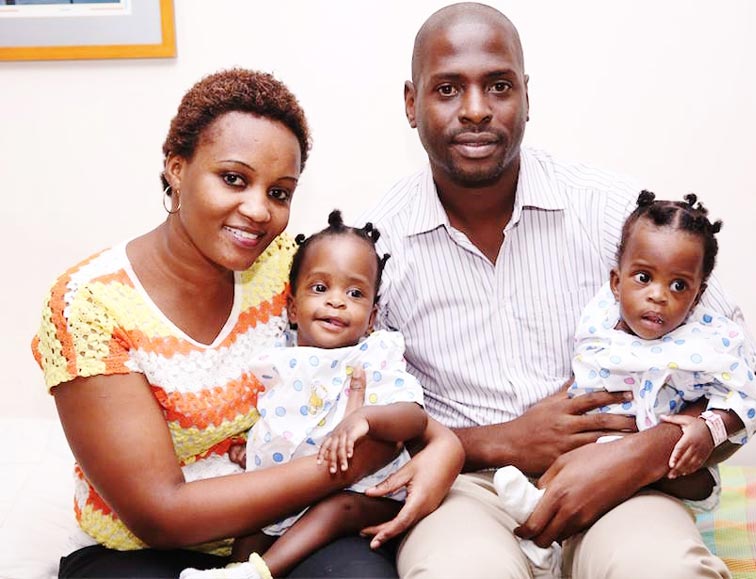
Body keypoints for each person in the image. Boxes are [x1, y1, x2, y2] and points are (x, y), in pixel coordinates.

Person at [359, 3, 756, 578]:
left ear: (527, 95)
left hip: (620, 485)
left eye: (499, 86)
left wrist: (642, 455)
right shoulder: (375, 249)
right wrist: (504, 441)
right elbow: (356, 433)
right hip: (464, 495)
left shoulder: (616, 213)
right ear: (412, 103)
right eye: (449, 88)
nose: (476, 110)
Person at [31, 68, 462, 579]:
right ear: (176, 167)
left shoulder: (288, 269)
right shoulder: (89, 305)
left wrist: (445, 447)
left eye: (280, 192)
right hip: (137, 552)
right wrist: (343, 464)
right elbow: (159, 516)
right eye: (233, 179)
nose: (259, 211)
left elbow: (368, 374)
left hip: (281, 527)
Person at [494, 191, 756, 576]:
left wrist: (710, 428)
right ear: (616, 281)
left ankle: (546, 537)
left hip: (664, 468)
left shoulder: (706, 340)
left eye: (679, 286)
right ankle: (544, 540)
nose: (658, 296)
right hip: (592, 447)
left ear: (698, 296)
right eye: (644, 278)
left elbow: (755, 396)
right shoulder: (600, 320)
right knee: (562, 474)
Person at [180, 210, 429, 579]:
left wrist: (365, 419)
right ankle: (235, 571)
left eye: (355, 292)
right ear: (293, 309)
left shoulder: (371, 356)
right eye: (319, 288)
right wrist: (254, 448)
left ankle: (260, 573)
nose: (336, 301)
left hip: (362, 494)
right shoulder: (280, 359)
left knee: (332, 511)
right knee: (251, 524)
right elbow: (284, 420)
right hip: (293, 488)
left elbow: (415, 417)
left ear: (373, 317)